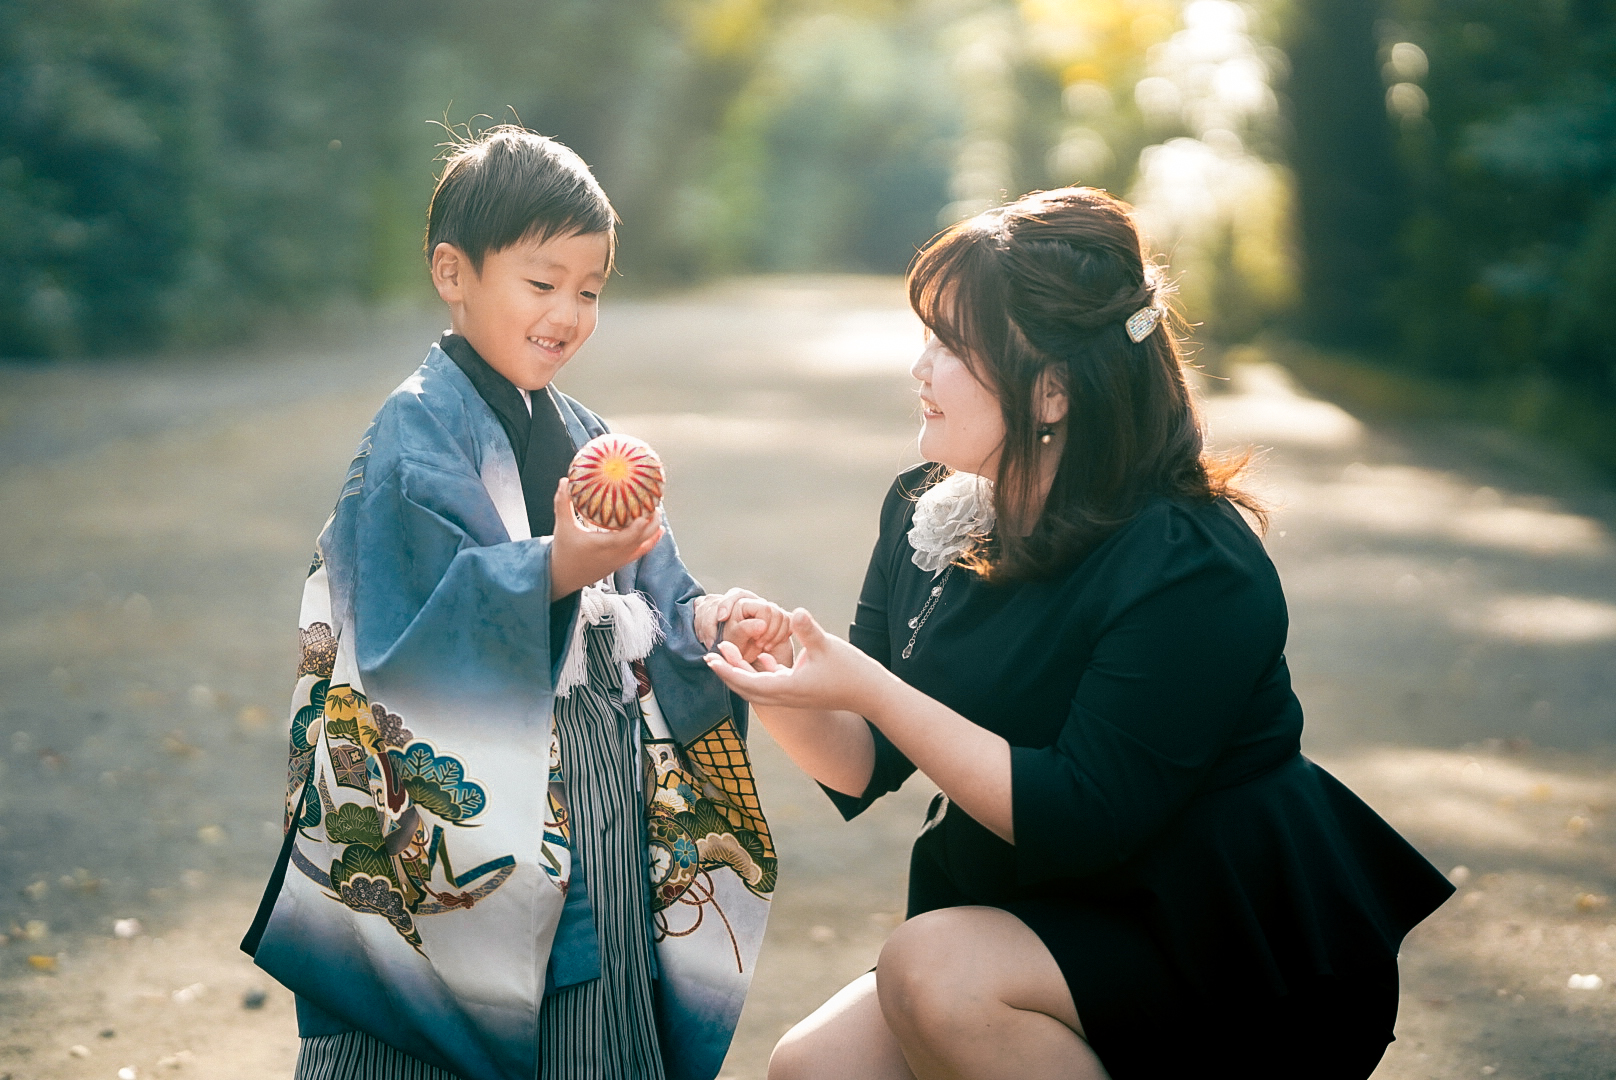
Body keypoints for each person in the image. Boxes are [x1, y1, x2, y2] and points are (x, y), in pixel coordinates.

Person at [701, 187, 1455, 1080]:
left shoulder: (1188, 562)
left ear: (1051, 388)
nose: (921, 368)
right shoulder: (927, 512)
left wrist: (867, 683)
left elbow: (1086, 818)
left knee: (931, 971)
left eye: (952, 346)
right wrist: (779, 677)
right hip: (1045, 918)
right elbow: (866, 759)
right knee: (812, 1069)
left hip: (1222, 944)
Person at [243, 126, 789, 1080]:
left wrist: (710, 622)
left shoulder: (589, 435)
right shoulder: (413, 434)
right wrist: (550, 567)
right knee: (449, 1012)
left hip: (597, 785)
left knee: (593, 990)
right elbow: (403, 636)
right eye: (543, 284)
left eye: (590, 290)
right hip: (474, 809)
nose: (568, 313)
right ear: (453, 273)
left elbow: (657, 589)